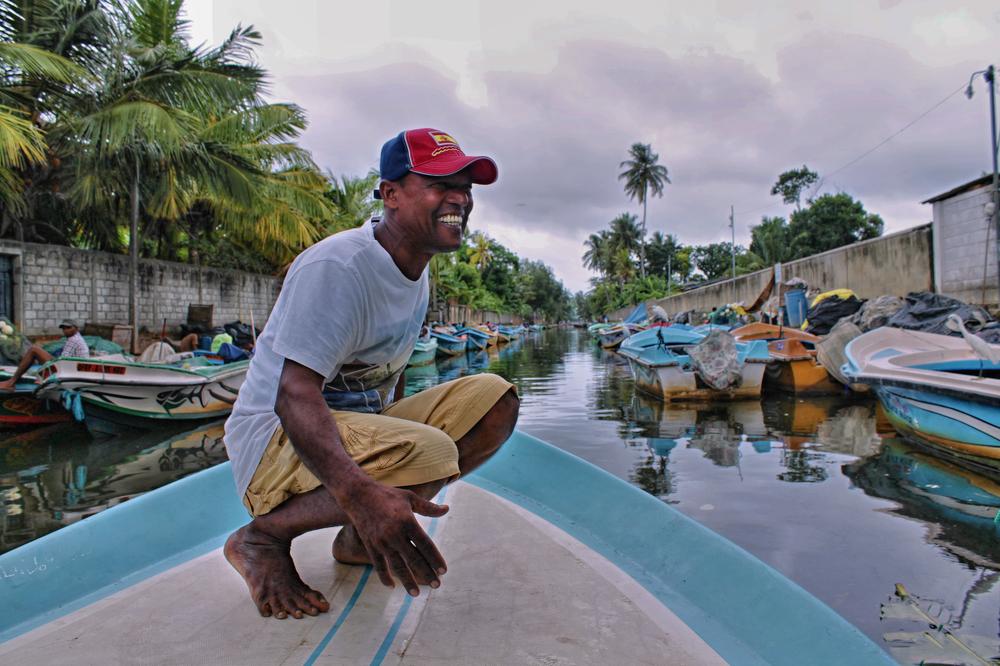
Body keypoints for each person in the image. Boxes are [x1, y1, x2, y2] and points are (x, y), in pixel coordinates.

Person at [223, 128, 519, 620]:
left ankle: (359, 540)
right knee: (431, 451)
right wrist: (361, 494)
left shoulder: (417, 270)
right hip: (273, 442)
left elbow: (392, 374)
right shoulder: (340, 266)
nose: (460, 199)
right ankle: (262, 538)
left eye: (466, 187)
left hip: (341, 427)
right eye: (440, 183)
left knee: (495, 400)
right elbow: (293, 396)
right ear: (391, 194)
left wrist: (391, 451)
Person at [0, 318, 89, 390]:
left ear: (76, 328)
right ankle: (14, 380)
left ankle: (11, 382)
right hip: (72, 367)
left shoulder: (73, 339)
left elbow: (63, 360)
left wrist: (44, 374)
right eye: (64, 328)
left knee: (33, 350)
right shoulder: (76, 337)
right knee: (36, 352)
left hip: (70, 370)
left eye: (68, 328)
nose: (65, 330)